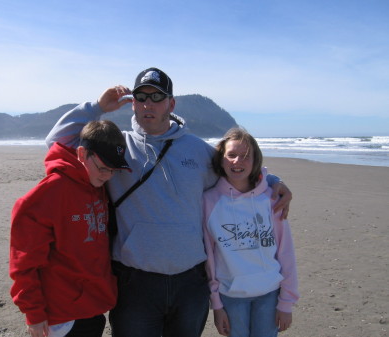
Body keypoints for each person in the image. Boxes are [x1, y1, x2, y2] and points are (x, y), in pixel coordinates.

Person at [45, 67, 292, 337]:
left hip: (190, 281)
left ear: (171, 104)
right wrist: (96, 107)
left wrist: (273, 181)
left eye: (156, 97)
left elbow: (237, 171)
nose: (148, 104)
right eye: (141, 97)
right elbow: (57, 141)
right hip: (134, 280)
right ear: (132, 104)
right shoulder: (118, 148)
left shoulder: (198, 150)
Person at [9, 120, 131, 337]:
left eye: (114, 170)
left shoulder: (98, 185)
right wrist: (34, 314)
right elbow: (24, 264)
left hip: (93, 308)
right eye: (103, 168)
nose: (108, 176)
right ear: (82, 154)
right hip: (61, 318)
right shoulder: (48, 194)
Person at [203, 127, 299, 337]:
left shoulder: (272, 198)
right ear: (221, 159)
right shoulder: (208, 201)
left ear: (256, 161)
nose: (238, 161)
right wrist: (216, 304)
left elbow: (286, 252)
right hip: (231, 295)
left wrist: (286, 303)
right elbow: (209, 258)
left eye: (246, 156)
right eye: (232, 155)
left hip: (270, 293)